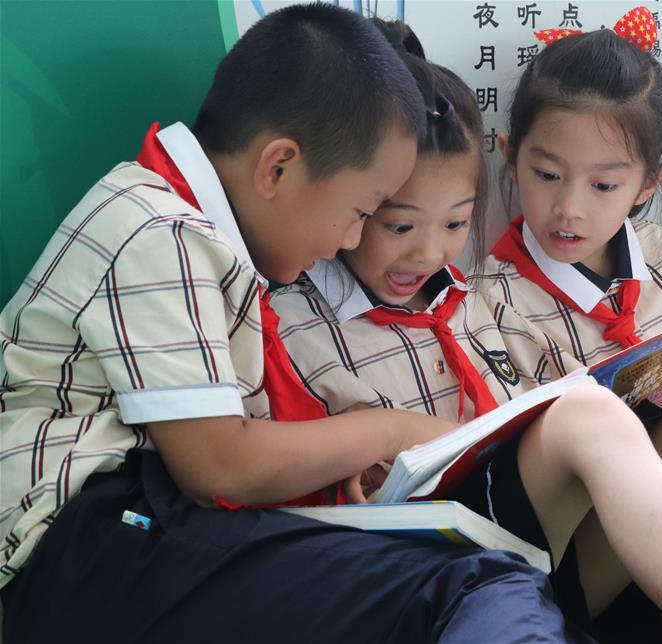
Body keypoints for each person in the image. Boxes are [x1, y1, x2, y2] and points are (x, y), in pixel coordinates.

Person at [272, 16, 662, 644]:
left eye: (604, 185)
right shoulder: (491, 300)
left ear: (649, 183)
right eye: (395, 224)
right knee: (600, 415)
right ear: (511, 157)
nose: (571, 207)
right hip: (546, 560)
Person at [0, 5, 592, 642]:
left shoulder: (184, 228)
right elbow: (220, 465)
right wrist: (390, 430)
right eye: (362, 211)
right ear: (277, 167)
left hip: (138, 530)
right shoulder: (159, 228)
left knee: (484, 580)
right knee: (474, 583)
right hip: (77, 539)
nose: (351, 238)